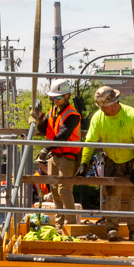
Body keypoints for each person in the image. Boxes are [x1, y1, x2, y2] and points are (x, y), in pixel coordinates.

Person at [79, 86, 134, 241]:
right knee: (112, 195)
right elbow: (89, 141)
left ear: (114, 103)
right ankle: (111, 229)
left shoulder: (131, 115)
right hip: (112, 159)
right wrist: (84, 162)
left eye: (104, 106)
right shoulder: (99, 117)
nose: (102, 110)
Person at [37, 80, 83, 226]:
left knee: (64, 190)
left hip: (67, 158)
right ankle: (59, 225)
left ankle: (70, 225)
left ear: (67, 96)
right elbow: (45, 130)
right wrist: (39, 119)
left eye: (58, 97)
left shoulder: (72, 115)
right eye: (53, 98)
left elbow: (62, 135)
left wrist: (46, 149)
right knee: (55, 192)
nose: (55, 100)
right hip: (54, 156)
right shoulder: (53, 112)